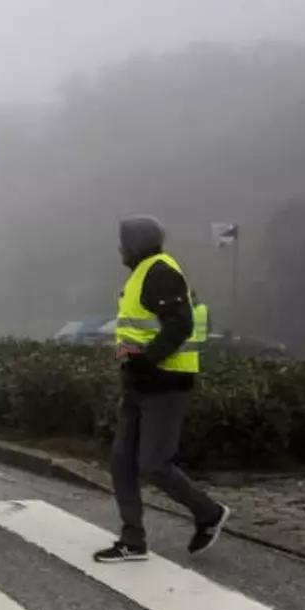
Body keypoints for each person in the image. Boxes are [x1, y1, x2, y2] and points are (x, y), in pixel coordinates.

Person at [94, 215, 227, 563]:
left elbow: (180, 324)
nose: (120, 248)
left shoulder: (160, 273)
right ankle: (132, 539)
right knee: (122, 462)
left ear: (136, 242)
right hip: (140, 383)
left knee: (154, 463)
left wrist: (146, 359)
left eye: (124, 241)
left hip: (166, 384)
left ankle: (208, 513)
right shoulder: (143, 272)